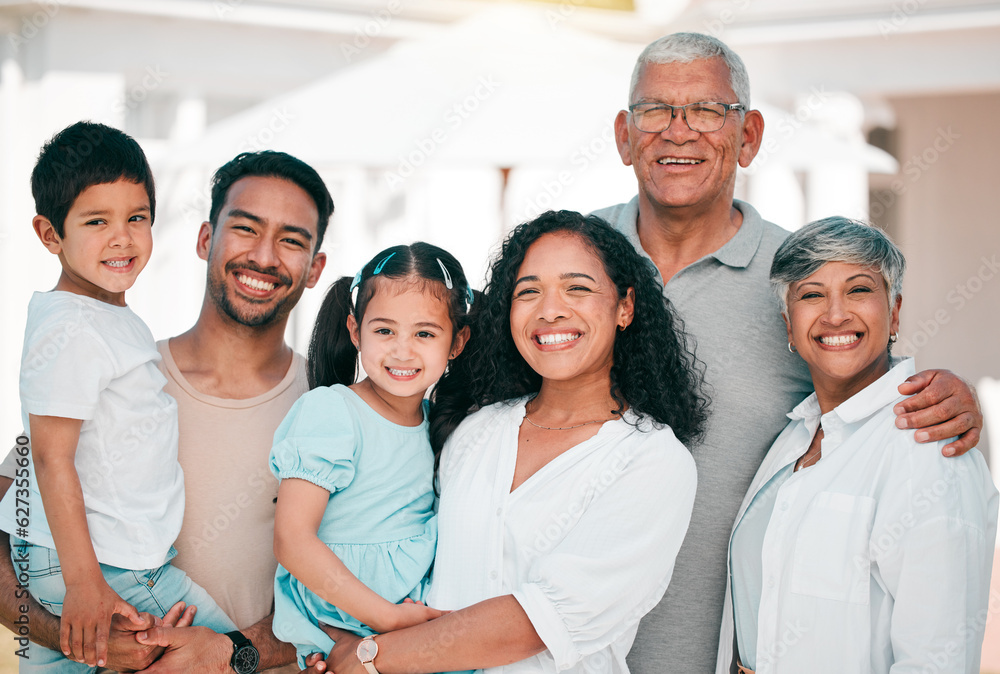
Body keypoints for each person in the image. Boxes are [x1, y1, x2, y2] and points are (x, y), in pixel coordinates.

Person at [596, 32, 985, 673]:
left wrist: (951, 394)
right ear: (624, 134)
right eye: (656, 110)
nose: (678, 130)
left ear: (748, 135)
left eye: (707, 111)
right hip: (558, 656)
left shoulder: (797, 280)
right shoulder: (564, 266)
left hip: (720, 658)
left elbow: (868, 381)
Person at [305, 210, 704, 674]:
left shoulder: (652, 460)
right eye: (528, 291)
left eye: (577, 288)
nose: (550, 310)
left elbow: (540, 619)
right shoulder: (476, 430)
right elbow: (409, 565)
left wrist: (370, 657)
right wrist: (328, 635)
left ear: (625, 307)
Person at [0, 149, 332, 674]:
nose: (264, 257)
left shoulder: (335, 408)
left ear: (315, 269)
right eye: (245, 228)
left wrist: (228, 654)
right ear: (205, 239)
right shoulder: (118, 377)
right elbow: (17, 528)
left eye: (291, 240)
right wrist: (75, 636)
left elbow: (357, 598)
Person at [0, 121, 236, 671]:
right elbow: (52, 456)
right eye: (96, 221)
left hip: (98, 558)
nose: (122, 237)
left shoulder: (104, 314)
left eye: (137, 218)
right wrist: (84, 583)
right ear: (49, 234)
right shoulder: (73, 327)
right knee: (231, 652)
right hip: (106, 564)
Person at [718, 217, 998, 673]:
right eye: (811, 295)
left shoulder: (927, 448)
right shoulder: (793, 438)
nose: (835, 314)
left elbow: (936, 658)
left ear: (896, 313)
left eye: (859, 290)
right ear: (789, 327)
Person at [269, 243, 472, 667]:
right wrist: (388, 618)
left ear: (457, 342)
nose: (402, 351)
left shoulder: (441, 423)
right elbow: (292, 539)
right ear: (355, 330)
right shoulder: (332, 410)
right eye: (384, 331)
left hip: (413, 611)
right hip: (348, 611)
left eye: (424, 333)